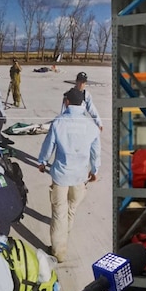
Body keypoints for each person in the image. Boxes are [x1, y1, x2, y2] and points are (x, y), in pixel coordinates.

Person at [37, 88, 101, 263]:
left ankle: (59, 251)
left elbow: (48, 146)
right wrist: (94, 171)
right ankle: (64, 236)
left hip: (61, 176)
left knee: (59, 213)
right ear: (82, 103)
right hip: (80, 177)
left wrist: (42, 162)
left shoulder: (59, 122)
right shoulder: (91, 125)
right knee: (71, 209)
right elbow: (96, 152)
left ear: (67, 102)